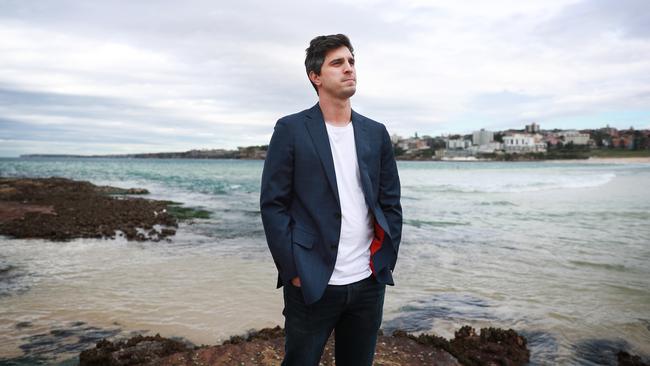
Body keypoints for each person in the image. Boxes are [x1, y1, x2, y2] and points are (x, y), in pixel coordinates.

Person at [260, 34, 402, 366]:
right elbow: (273, 204)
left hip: (367, 282)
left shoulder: (375, 132)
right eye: (337, 63)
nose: (349, 68)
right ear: (316, 76)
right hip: (312, 281)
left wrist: (384, 259)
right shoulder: (291, 129)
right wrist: (293, 269)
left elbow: (390, 202)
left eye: (351, 61)